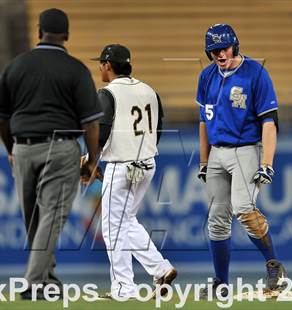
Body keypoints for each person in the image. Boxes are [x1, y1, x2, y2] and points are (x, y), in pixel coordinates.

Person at [0, 8, 103, 300]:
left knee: (35, 219)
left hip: (23, 147)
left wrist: (10, 150)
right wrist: (92, 159)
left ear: (38, 32)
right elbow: (91, 121)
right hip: (61, 147)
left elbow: (0, 115)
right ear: (66, 35)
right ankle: (33, 281)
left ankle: (45, 280)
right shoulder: (76, 69)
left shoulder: (16, 66)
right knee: (51, 217)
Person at [196, 24, 286, 299]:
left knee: (244, 208)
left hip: (247, 148)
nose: (219, 54)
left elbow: (268, 122)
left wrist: (267, 162)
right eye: (213, 50)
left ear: (235, 44)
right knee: (216, 220)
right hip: (217, 152)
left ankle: (274, 265)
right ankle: (220, 282)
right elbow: (203, 121)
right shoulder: (206, 75)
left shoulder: (255, 73)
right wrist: (203, 160)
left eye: (223, 48)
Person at [89, 44, 177, 300]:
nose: (100, 68)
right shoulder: (149, 90)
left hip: (122, 165)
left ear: (107, 65)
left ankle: (123, 288)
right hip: (147, 163)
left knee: (112, 228)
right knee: (125, 222)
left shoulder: (107, 93)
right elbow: (158, 129)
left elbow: (101, 132)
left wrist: (91, 161)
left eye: (101, 63)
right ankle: (161, 268)